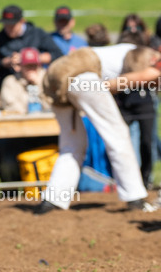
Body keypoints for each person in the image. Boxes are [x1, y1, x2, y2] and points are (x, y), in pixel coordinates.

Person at [36, 43, 159, 213]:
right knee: (118, 134)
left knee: (72, 144)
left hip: (54, 80)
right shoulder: (148, 62)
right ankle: (134, 196)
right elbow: (127, 81)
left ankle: (54, 199)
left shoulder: (123, 49)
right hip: (82, 77)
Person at [0, 47, 53, 182]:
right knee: (8, 163)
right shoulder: (10, 82)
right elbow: (12, 109)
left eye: (34, 66)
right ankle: (12, 194)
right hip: (17, 133)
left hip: (46, 132)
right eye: (27, 66)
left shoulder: (46, 79)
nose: (31, 70)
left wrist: (39, 86)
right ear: (19, 67)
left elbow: (52, 105)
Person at [115, 46, 159, 190]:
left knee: (147, 143)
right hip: (128, 106)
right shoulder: (127, 71)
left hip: (145, 106)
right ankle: (130, 181)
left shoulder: (149, 76)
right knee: (126, 144)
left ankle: (146, 179)